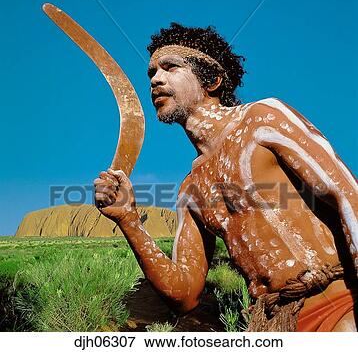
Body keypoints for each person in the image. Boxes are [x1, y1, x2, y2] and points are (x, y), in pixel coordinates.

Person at [94, 23, 358, 331]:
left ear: (213, 80)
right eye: (151, 72)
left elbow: (347, 194)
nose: (155, 79)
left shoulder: (263, 119)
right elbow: (184, 295)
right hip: (270, 326)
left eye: (169, 67)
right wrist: (130, 221)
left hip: (339, 306)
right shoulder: (191, 189)